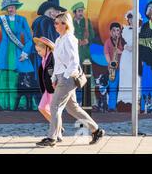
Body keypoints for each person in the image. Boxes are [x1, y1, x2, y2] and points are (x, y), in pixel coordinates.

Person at [36, 12, 104, 147]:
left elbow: (74, 61)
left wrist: (65, 77)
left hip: (68, 78)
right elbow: (58, 62)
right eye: (54, 23)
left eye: (57, 23)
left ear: (64, 24)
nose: (54, 25)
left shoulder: (69, 39)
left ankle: (52, 138)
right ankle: (96, 130)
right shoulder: (59, 40)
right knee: (73, 108)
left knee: (54, 106)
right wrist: (54, 77)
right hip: (61, 77)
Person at [0, 0, 35, 111]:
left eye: (13, 7)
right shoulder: (3, 19)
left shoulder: (22, 20)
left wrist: (25, 52)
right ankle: (4, 103)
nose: (11, 9)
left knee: (19, 77)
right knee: (4, 76)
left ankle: (20, 104)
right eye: (9, 7)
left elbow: (29, 38)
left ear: (16, 8)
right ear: (6, 9)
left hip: (18, 51)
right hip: (5, 51)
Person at [33, 36, 63, 142]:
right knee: (42, 108)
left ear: (47, 48)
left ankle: (57, 133)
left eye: (39, 51)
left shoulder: (53, 57)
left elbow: (57, 72)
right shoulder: (44, 58)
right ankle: (58, 127)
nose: (38, 53)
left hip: (53, 89)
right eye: (37, 51)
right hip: (47, 89)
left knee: (55, 111)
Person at [71, 2, 96, 106]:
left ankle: (92, 102)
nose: (81, 13)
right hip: (74, 55)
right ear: (75, 12)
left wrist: (87, 40)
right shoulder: (70, 23)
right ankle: (75, 102)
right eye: (79, 11)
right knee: (74, 80)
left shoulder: (87, 22)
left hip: (86, 55)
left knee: (89, 79)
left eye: (82, 11)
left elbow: (92, 35)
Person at [117, 11, 143, 112]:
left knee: (136, 77)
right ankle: (124, 103)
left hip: (137, 56)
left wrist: (137, 47)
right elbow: (121, 41)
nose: (132, 20)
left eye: (134, 18)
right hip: (126, 56)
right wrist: (126, 46)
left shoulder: (141, 30)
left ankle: (137, 102)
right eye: (130, 18)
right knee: (126, 78)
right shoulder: (125, 29)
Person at [139, 0, 152, 112]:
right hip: (147, 61)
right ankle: (145, 107)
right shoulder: (145, 27)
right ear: (149, 14)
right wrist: (141, 59)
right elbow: (140, 44)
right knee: (147, 83)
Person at [103, 22, 125, 112]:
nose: (116, 32)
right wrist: (110, 63)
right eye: (114, 30)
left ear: (120, 32)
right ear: (110, 32)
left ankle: (122, 106)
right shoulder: (108, 42)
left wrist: (121, 52)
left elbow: (129, 52)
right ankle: (112, 107)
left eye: (118, 30)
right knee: (113, 87)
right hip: (113, 68)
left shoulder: (123, 41)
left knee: (123, 87)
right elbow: (106, 53)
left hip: (124, 68)